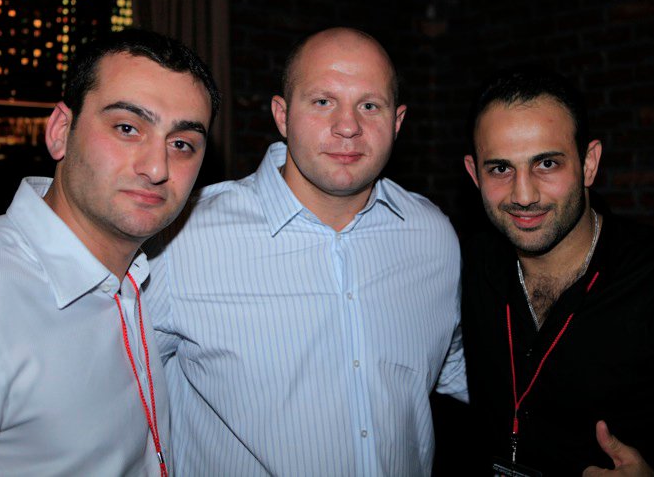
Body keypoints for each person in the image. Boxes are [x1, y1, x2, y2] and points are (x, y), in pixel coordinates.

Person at [145, 26, 467, 476]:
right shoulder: (182, 239)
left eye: (370, 105)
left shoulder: (432, 237)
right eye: (323, 101)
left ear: (397, 122)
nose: (348, 126)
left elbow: (465, 375)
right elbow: (114, 405)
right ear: (282, 114)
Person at [460, 65, 654, 476]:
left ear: (589, 163)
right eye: (500, 169)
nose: (524, 194)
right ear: (474, 174)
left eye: (546, 164)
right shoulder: (466, 269)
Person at [0, 28, 220, 476]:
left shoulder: (136, 279)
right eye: (127, 128)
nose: (157, 168)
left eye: (182, 144)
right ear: (61, 131)